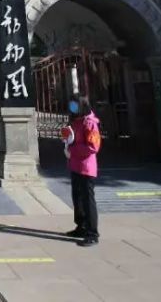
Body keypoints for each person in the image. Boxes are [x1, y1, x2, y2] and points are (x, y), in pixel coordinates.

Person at [64, 95, 101, 247]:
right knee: (77, 198)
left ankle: (92, 232)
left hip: (86, 167)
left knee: (87, 200)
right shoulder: (76, 121)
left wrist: (72, 149)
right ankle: (81, 226)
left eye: (74, 105)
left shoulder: (90, 123)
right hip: (74, 165)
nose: (72, 108)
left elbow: (93, 147)